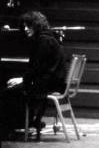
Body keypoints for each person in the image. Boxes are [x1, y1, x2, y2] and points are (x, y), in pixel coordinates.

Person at [0, 11, 67, 140]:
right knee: (13, 88)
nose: (25, 29)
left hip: (48, 84)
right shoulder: (49, 38)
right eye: (24, 26)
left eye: (28, 26)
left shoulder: (44, 40)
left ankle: (11, 127)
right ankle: (27, 121)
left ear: (37, 25)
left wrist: (23, 79)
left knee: (7, 92)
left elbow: (37, 68)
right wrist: (25, 79)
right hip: (52, 82)